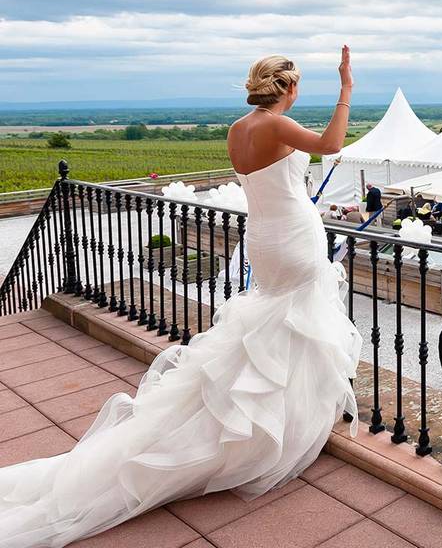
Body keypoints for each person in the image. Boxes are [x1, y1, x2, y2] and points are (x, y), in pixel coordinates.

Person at [0, 51, 362, 547]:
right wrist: (346, 88)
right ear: (288, 89)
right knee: (298, 318)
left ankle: (271, 417)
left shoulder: (237, 129)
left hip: (266, 235)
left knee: (278, 321)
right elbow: (332, 143)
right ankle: (281, 427)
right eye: (295, 87)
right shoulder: (277, 126)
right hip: (294, 238)